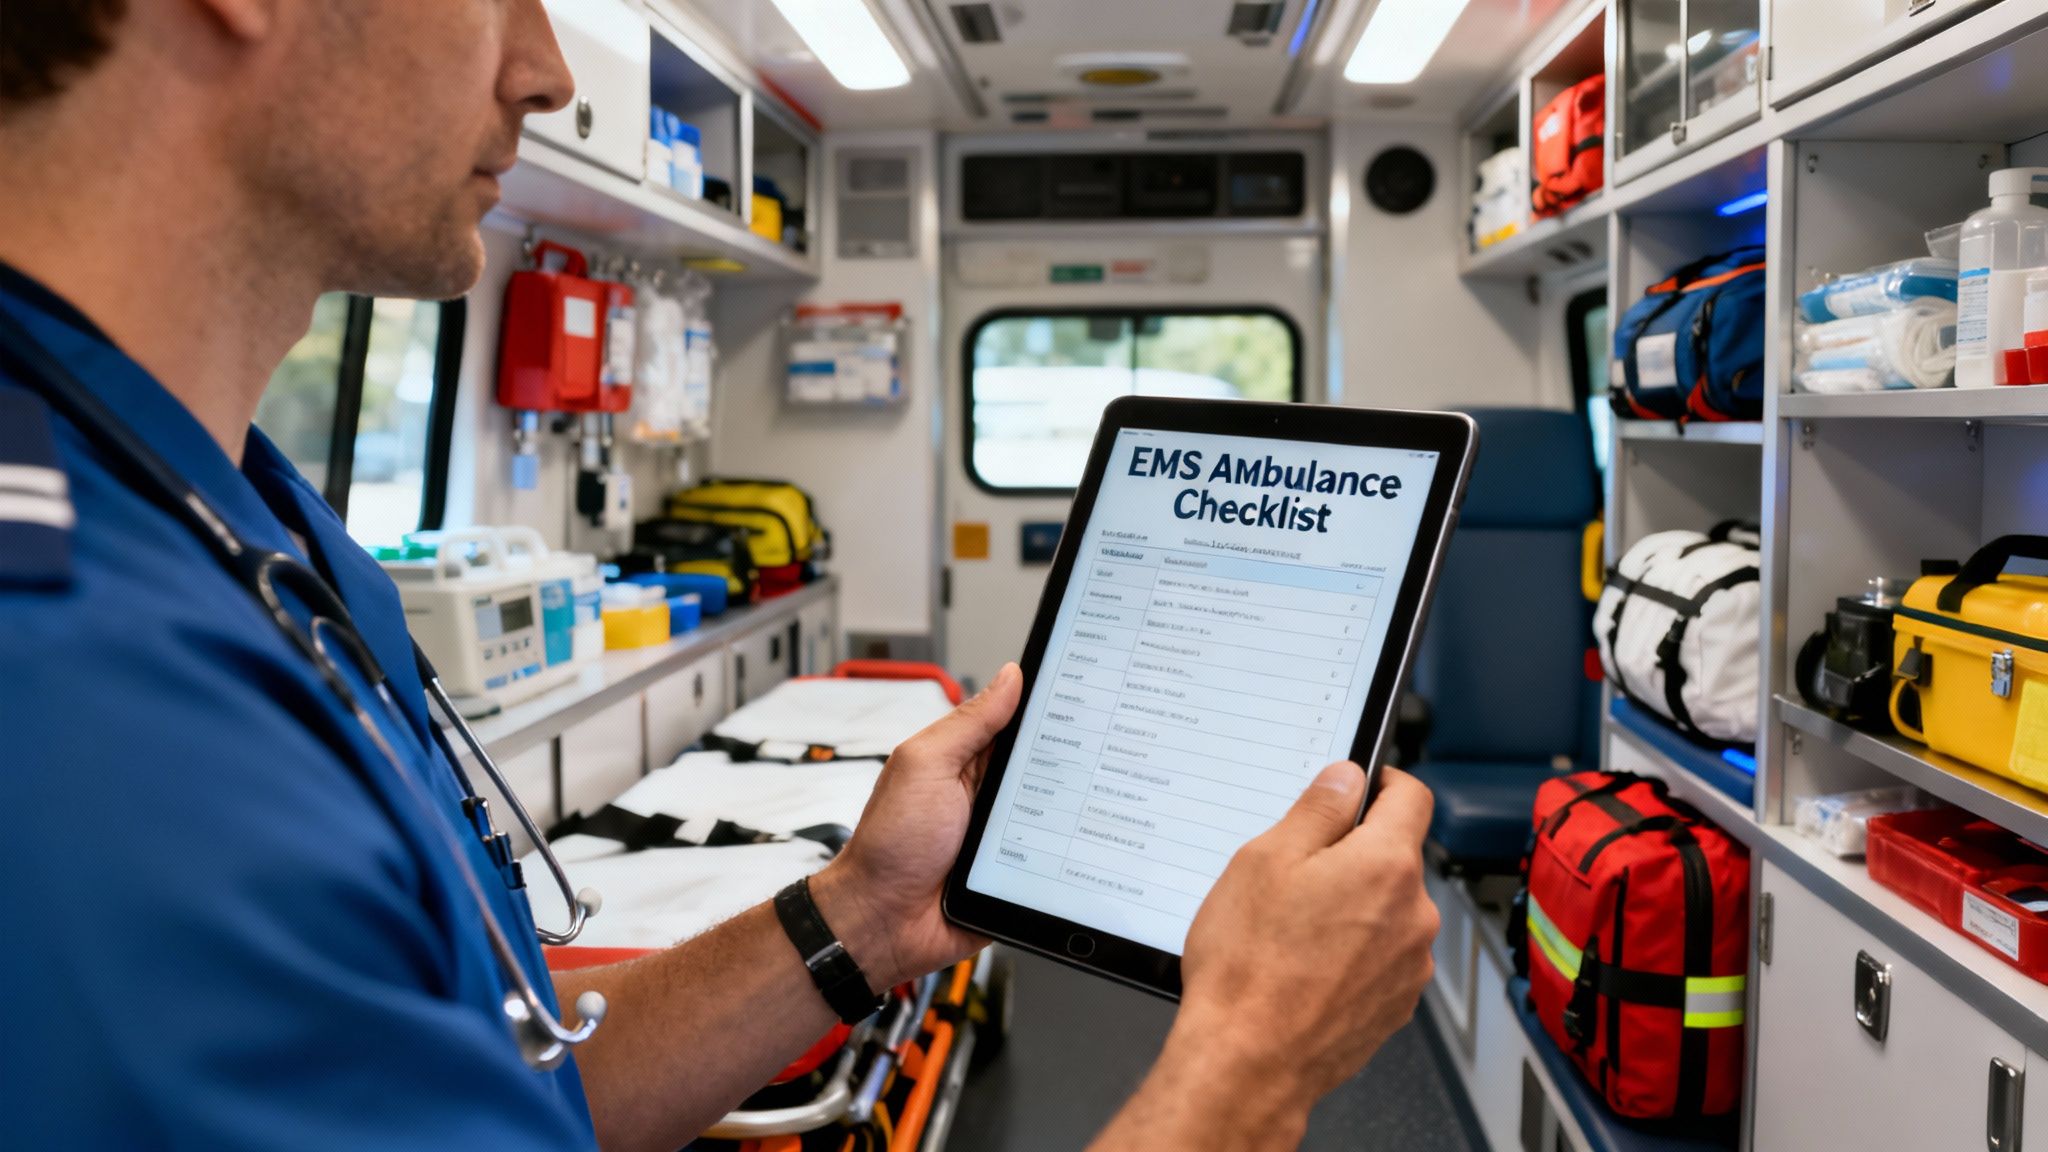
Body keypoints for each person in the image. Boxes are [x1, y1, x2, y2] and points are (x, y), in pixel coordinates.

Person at [0, 2, 1441, 1149]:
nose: (548, 68)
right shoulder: (77, 696)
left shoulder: (236, 516)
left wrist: (860, 915)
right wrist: (1251, 1063)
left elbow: (503, 1069)